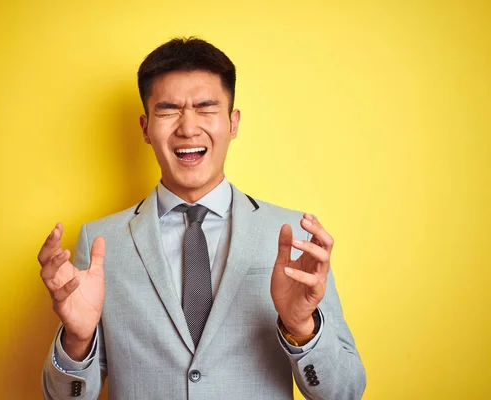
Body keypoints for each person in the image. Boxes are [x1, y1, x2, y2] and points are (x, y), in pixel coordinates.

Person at [39, 37, 366, 399]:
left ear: (233, 122)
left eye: (206, 107)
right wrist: (78, 339)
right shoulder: (100, 242)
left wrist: (302, 326)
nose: (188, 127)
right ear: (146, 128)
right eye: (169, 110)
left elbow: (345, 392)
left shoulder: (291, 235)